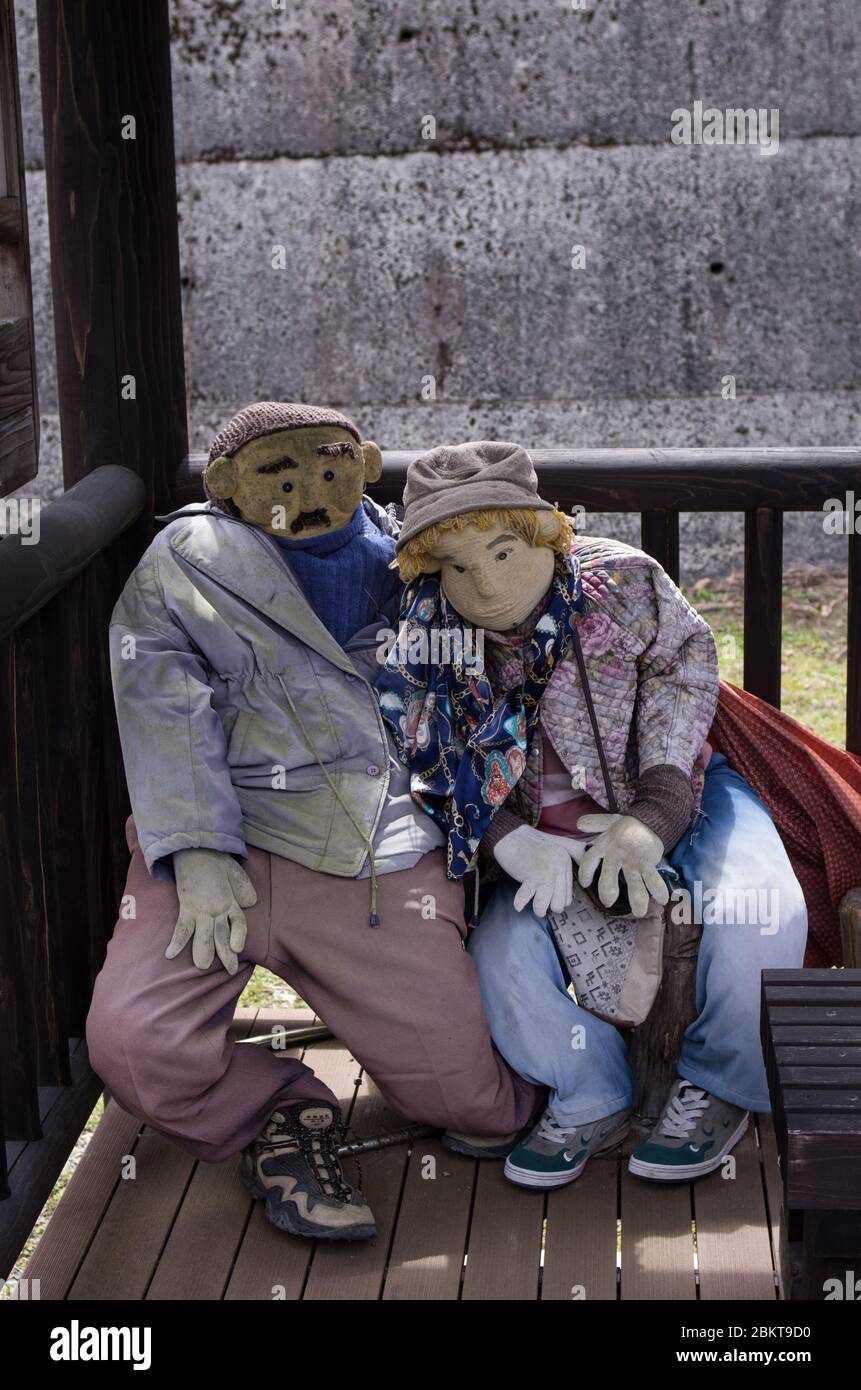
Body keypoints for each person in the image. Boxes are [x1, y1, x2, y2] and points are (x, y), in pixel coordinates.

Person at [86, 405, 538, 1243]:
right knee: (136, 1048)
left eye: (329, 467)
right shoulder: (186, 564)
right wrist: (193, 852)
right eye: (277, 475)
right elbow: (160, 705)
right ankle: (279, 1111)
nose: (307, 492)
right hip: (227, 846)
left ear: (364, 465)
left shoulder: (420, 559)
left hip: (377, 855)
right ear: (225, 489)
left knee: (474, 1106)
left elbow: (482, 682)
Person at [376, 439, 808, 1191]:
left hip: (677, 796)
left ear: (543, 534)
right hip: (535, 840)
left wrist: (657, 812)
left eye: (502, 550)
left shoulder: (623, 582)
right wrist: (505, 840)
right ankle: (589, 1089)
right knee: (502, 961)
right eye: (453, 566)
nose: (481, 583)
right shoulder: (422, 636)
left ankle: (721, 1083)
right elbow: (421, 743)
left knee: (759, 909)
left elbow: (683, 668)